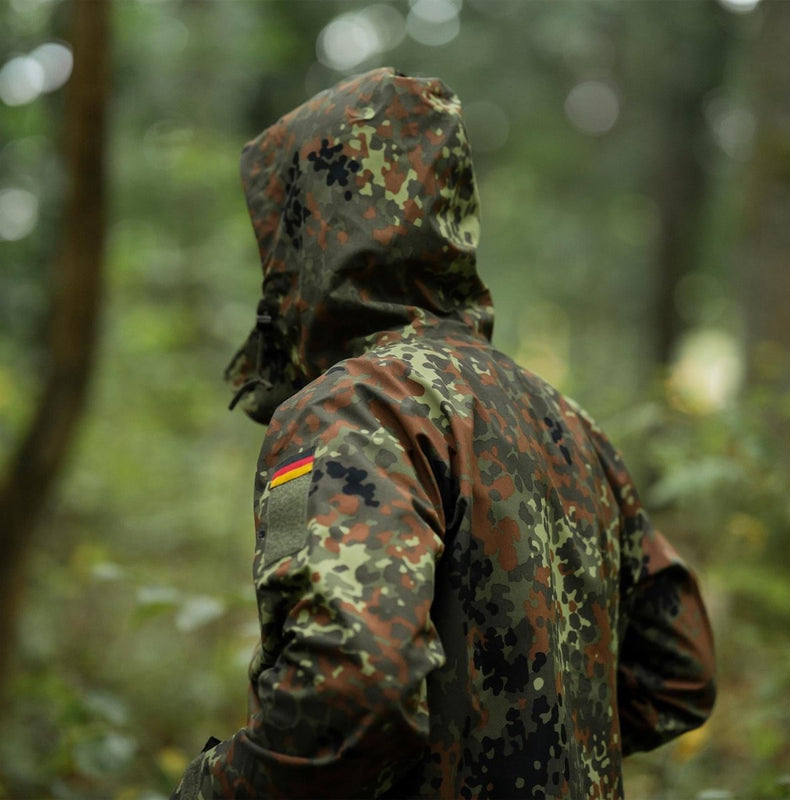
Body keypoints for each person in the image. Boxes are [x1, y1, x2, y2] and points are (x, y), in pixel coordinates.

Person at [171, 68, 715, 799]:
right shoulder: (563, 419)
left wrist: (216, 790)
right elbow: (678, 669)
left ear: (308, 236)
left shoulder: (354, 406)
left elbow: (351, 691)